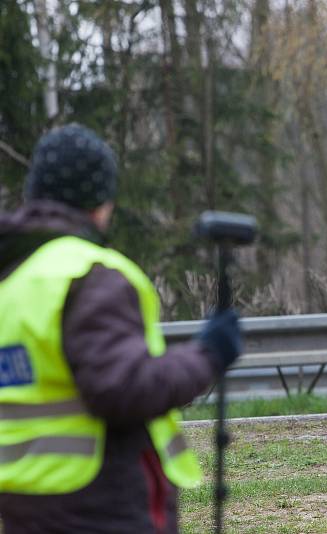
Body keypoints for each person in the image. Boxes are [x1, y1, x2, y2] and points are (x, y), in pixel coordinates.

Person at [0, 124, 241, 533]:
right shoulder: (89, 274)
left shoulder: (12, 277)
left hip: (22, 509)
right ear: (100, 201)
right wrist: (208, 353)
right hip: (99, 506)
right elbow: (123, 388)